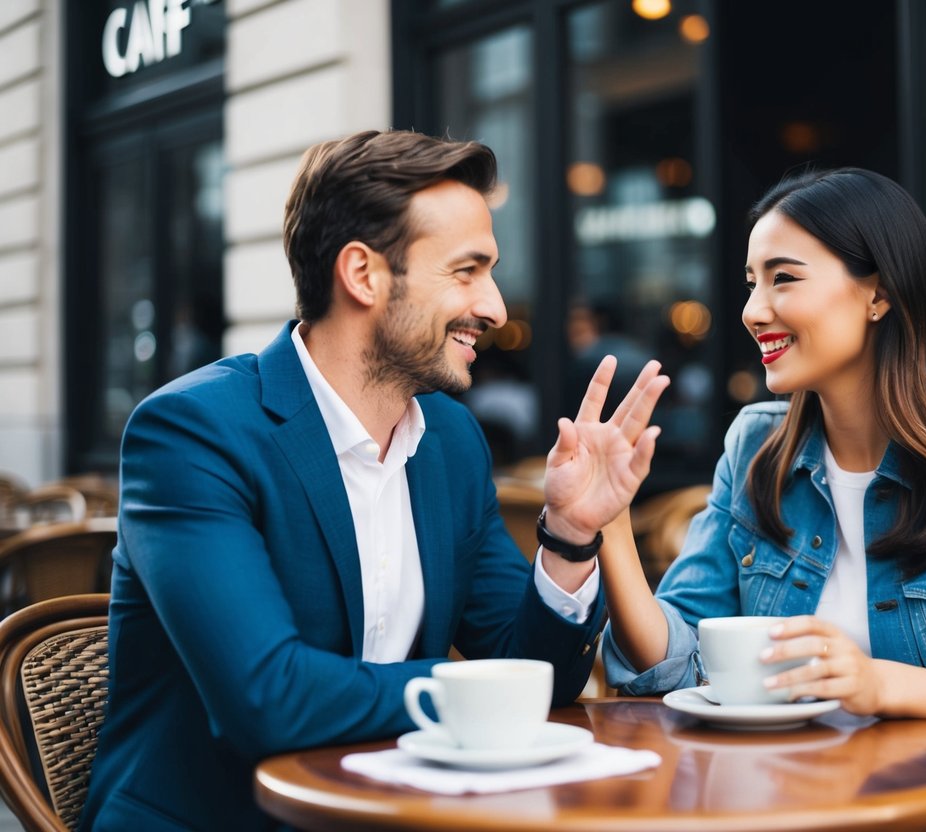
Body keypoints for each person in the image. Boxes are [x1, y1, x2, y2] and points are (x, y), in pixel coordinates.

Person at [80, 130, 668, 831]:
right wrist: (481, 694)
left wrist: (569, 538)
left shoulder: (450, 440)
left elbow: (539, 677)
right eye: (466, 271)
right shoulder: (191, 433)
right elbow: (268, 700)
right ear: (362, 275)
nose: (496, 307)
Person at [597, 169, 926, 831]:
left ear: (877, 293)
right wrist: (611, 523)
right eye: (750, 282)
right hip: (784, 803)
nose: (752, 309)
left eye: (783, 278)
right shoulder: (755, 447)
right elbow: (672, 662)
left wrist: (876, 683)